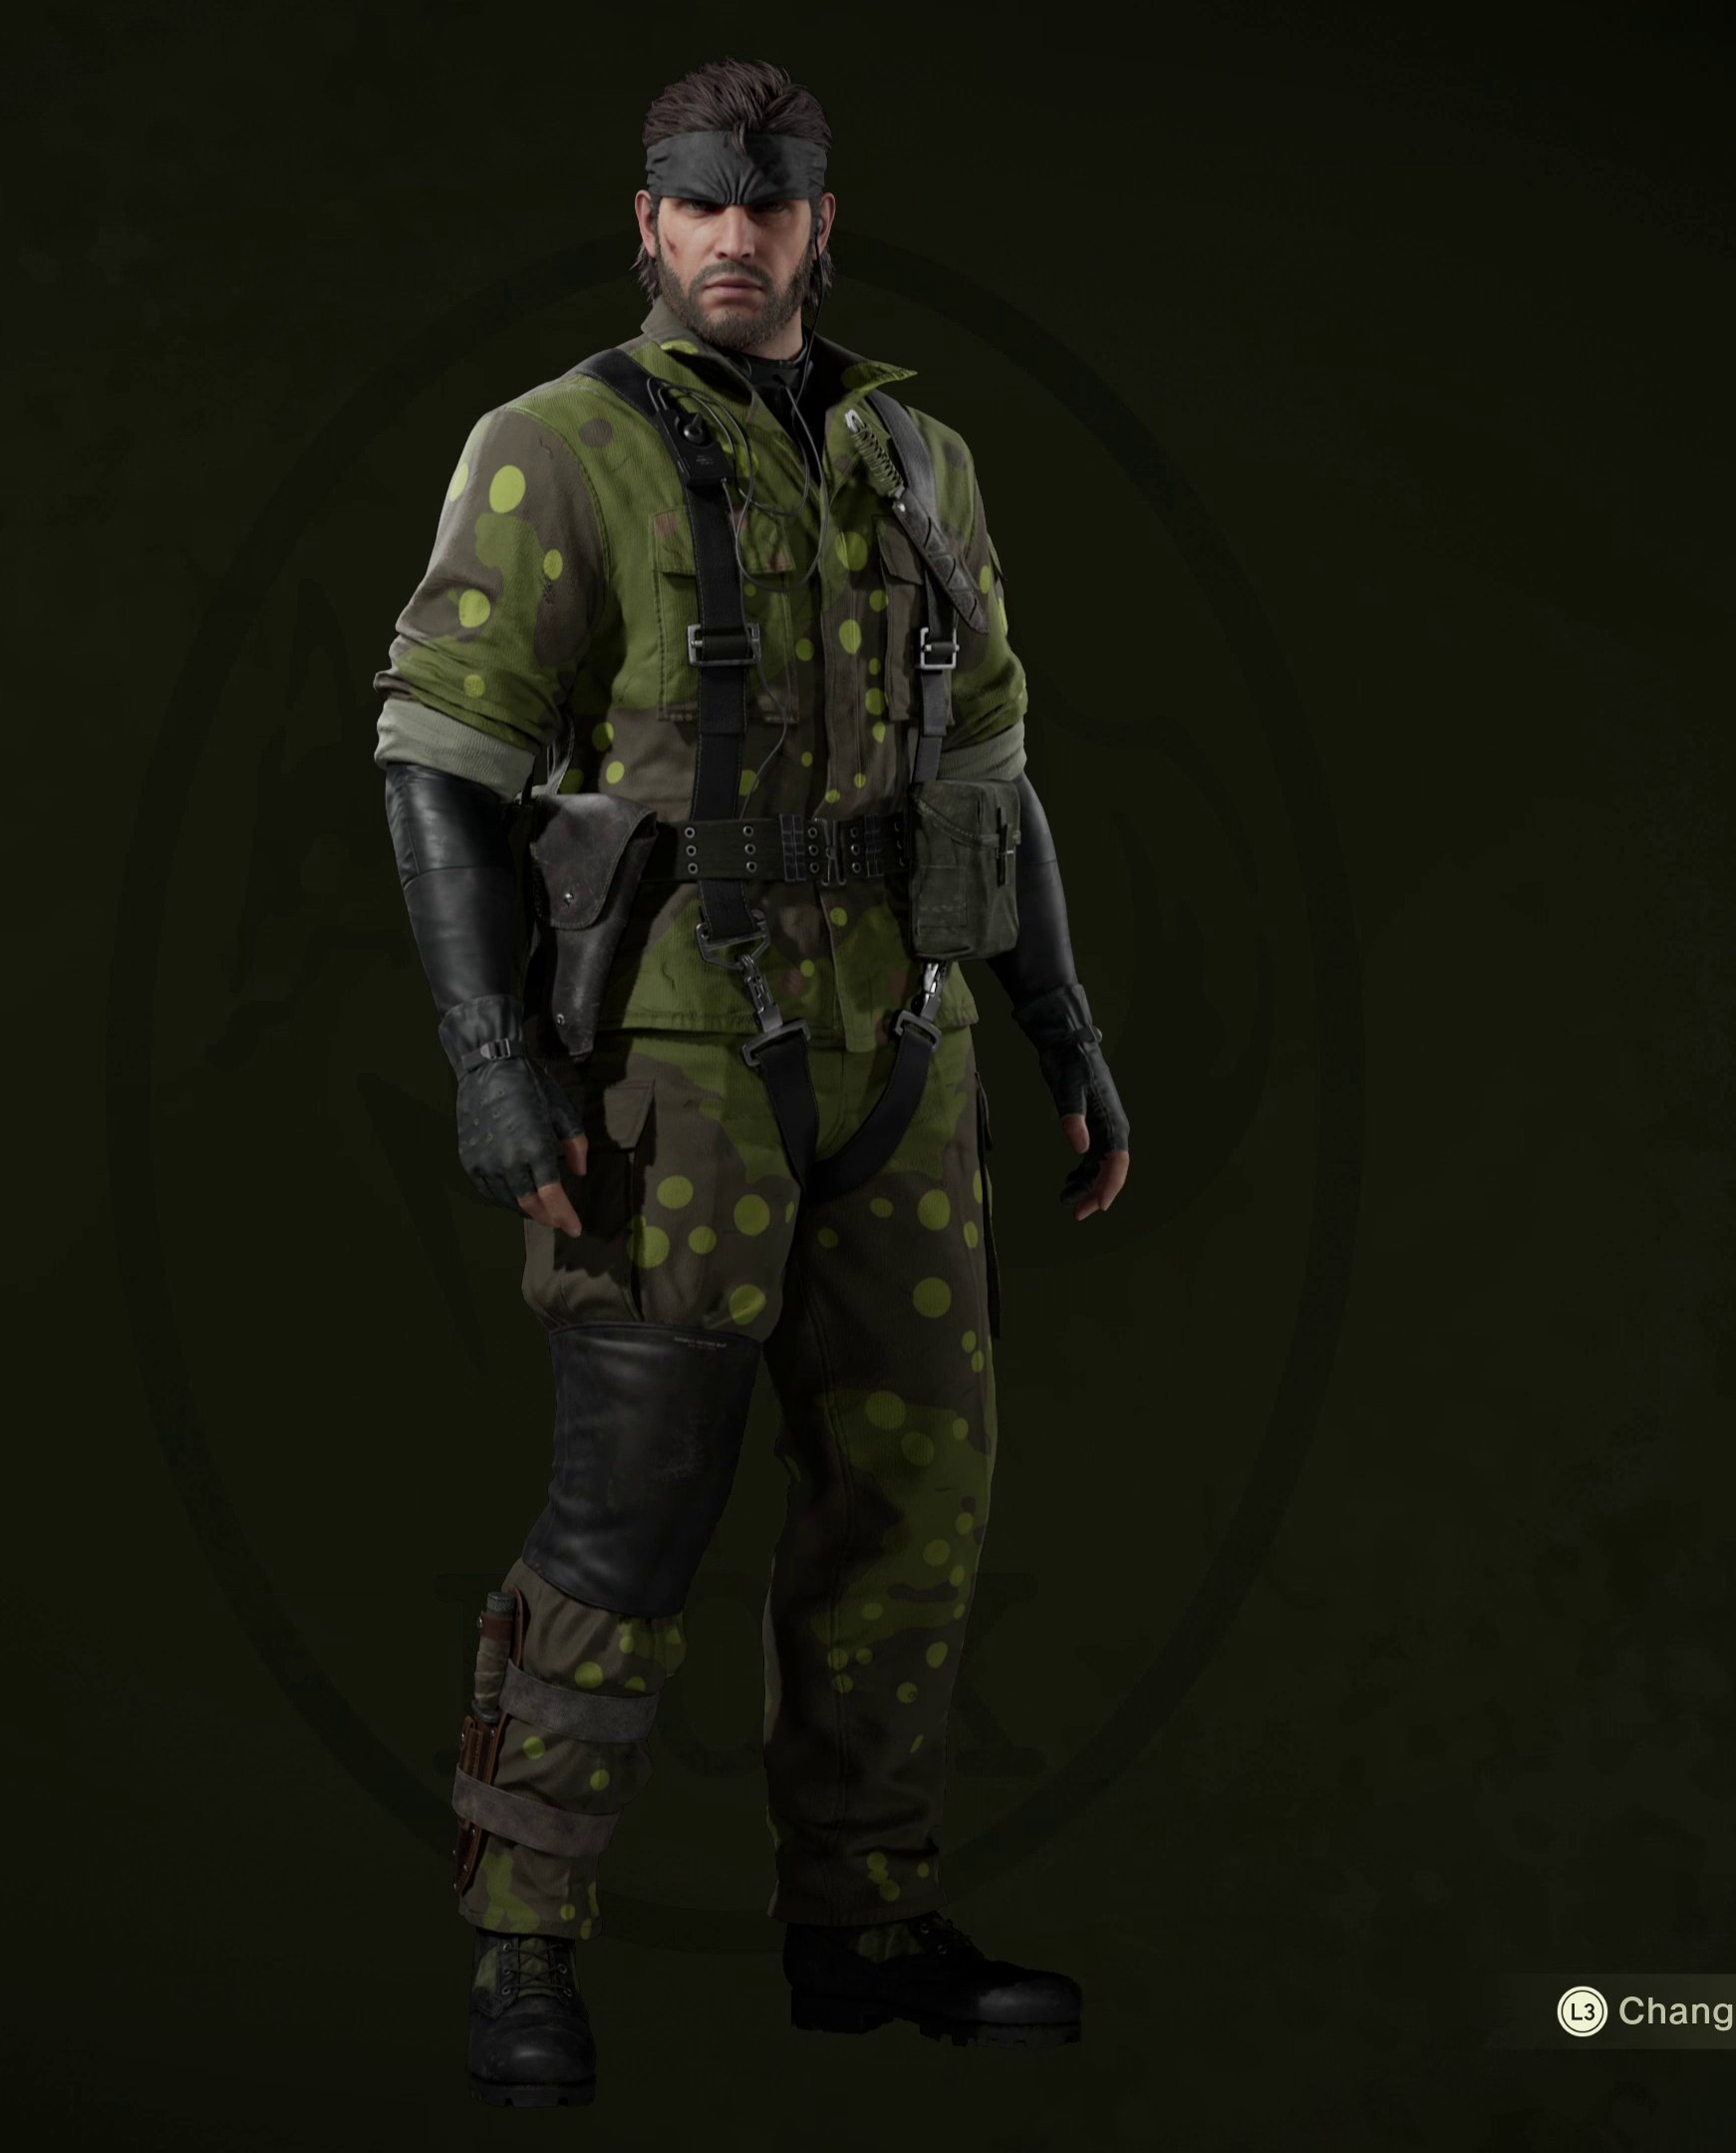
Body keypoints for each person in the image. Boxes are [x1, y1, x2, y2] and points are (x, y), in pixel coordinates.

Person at [368, 57, 1135, 2110]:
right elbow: (436, 757)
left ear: (819, 223)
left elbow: (991, 772)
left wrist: (1065, 1030)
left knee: (915, 1504)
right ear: (645, 219)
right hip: (672, 1072)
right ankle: (524, 1944)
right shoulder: (555, 449)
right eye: (697, 202)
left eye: (765, 201)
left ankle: (864, 1923)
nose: (731, 236)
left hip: (908, 1056)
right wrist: (491, 1060)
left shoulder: (923, 462)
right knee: (626, 1516)